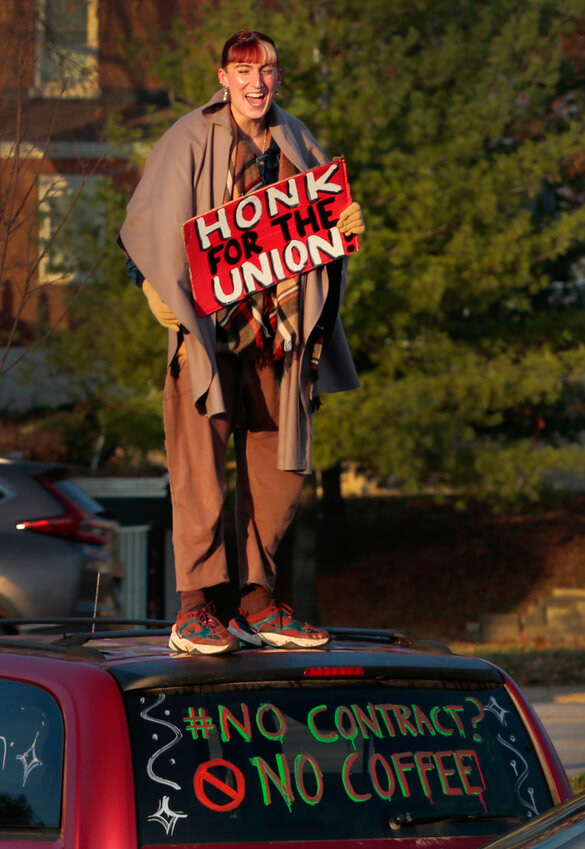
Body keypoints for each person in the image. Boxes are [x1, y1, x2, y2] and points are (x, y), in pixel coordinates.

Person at [119, 30, 363, 655]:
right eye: (243, 71)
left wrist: (344, 226)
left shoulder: (298, 139)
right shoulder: (187, 138)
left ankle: (257, 602)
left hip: (279, 335)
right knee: (200, 473)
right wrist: (152, 289)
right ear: (223, 77)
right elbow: (143, 230)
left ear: (280, 78)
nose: (258, 83)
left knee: (279, 469)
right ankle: (196, 608)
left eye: (269, 71)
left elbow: (321, 229)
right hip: (206, 332)